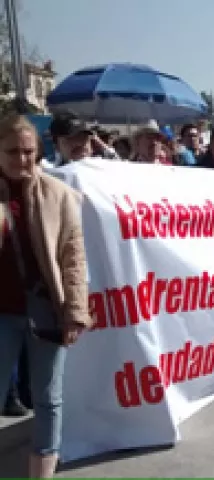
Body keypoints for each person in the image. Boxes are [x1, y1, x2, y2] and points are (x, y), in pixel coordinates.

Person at [0, 114, 92, 477]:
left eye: (28, 151)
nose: (22, 159)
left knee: (49, 401)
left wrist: (75, 312)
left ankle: (41, 474)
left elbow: (74, 259)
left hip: (45, 311)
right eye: (12, 152)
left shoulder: (60, 195)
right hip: (1, 315)